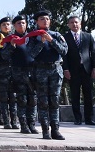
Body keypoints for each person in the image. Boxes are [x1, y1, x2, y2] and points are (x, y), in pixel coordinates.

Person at [29, 9, 68, 140]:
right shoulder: (33, 37)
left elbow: (64, 50)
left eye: (47, 19)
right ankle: (45, 130)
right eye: (42, 19)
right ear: (36, 22)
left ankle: (55, 130)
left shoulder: (56, 35)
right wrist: (41, 42)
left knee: (55, 100)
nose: (45, 21)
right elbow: (31, 54)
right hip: (40, 70)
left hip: (55, 70)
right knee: (43, 101)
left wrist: (51, 40)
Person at [62, 15, 95, 125]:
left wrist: (94, 68)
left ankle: (89, 118)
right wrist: (65, 69)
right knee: (75, 94)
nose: (74, 24)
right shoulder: (65, 37)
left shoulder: (88, 36)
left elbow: (93, 53)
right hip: (73, 70)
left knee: (88, 94)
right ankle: (77, 118)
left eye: (76, 22)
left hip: (87, 69)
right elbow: (64, 55)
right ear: (68, 25)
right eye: (71, 22)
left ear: (80, 23)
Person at [8, 15, 38, 134]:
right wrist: (11, 46)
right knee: (22, 99)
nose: (21, 25)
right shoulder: (11, 38)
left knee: (33, 99)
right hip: (18, 72)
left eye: (23, 23)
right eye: (19, 23)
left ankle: (32, 124)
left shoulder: (32, 37)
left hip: (32, 71)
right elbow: (4, 55)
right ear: (14, 26)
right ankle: (24, 125)